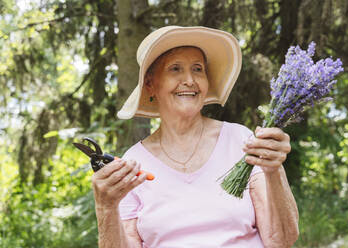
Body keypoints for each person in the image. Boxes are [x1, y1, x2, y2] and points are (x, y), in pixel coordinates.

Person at [92, 26, 299, 248]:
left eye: (198, 69)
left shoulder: (240, 140)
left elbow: (281, 240)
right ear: (151, 84)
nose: (189, 80)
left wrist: (273, 169)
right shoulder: (132, 163)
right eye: (175, 69)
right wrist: (106, 208)